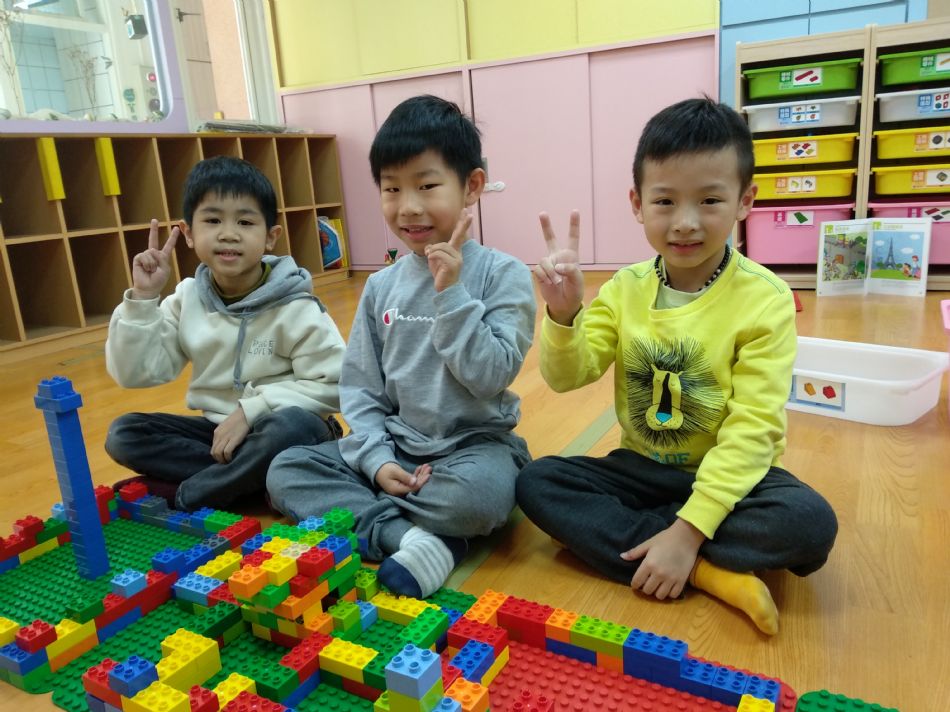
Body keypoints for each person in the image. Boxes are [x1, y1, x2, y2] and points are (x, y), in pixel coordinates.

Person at [517, 97, 837, 635]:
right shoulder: (625, 288)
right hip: (641, 469)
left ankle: (665, 545)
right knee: (536, 481)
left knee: (809, 524)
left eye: (710, 200)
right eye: (665, 201)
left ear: (745, 200)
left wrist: (690, 528)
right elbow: (567, 377)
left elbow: (754, 429)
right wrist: (564, 312)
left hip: (729, 477)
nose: (685, 223)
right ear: (638, 203)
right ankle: (708, 572)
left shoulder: (765, 299)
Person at [266, 95, 535, 598]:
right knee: (287, 470)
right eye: (391, 189)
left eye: (427, 186)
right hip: (396, 446)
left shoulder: (504, 274)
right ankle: (415, 538)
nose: (407, 206)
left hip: (472, 451)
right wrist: (377, 460)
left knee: (481, 498)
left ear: (472, 186)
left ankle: (390, 524)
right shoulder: (380, 285)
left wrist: (450, 294)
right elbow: (362, 389)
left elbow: (490, 376)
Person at [105, 156, 346, 512]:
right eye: (213, 220)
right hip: (218, 434)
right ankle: (249, 484)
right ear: (188, 233)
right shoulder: (187, 298)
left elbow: (337, 385)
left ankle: (190, 494)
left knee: (290, 427)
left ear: (270, 237)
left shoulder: (297, 307)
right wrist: (142, 298)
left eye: (245, 222)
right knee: (124, 434)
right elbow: (136, 373)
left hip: (282, 427)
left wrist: (252, 410)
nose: (228, 233)